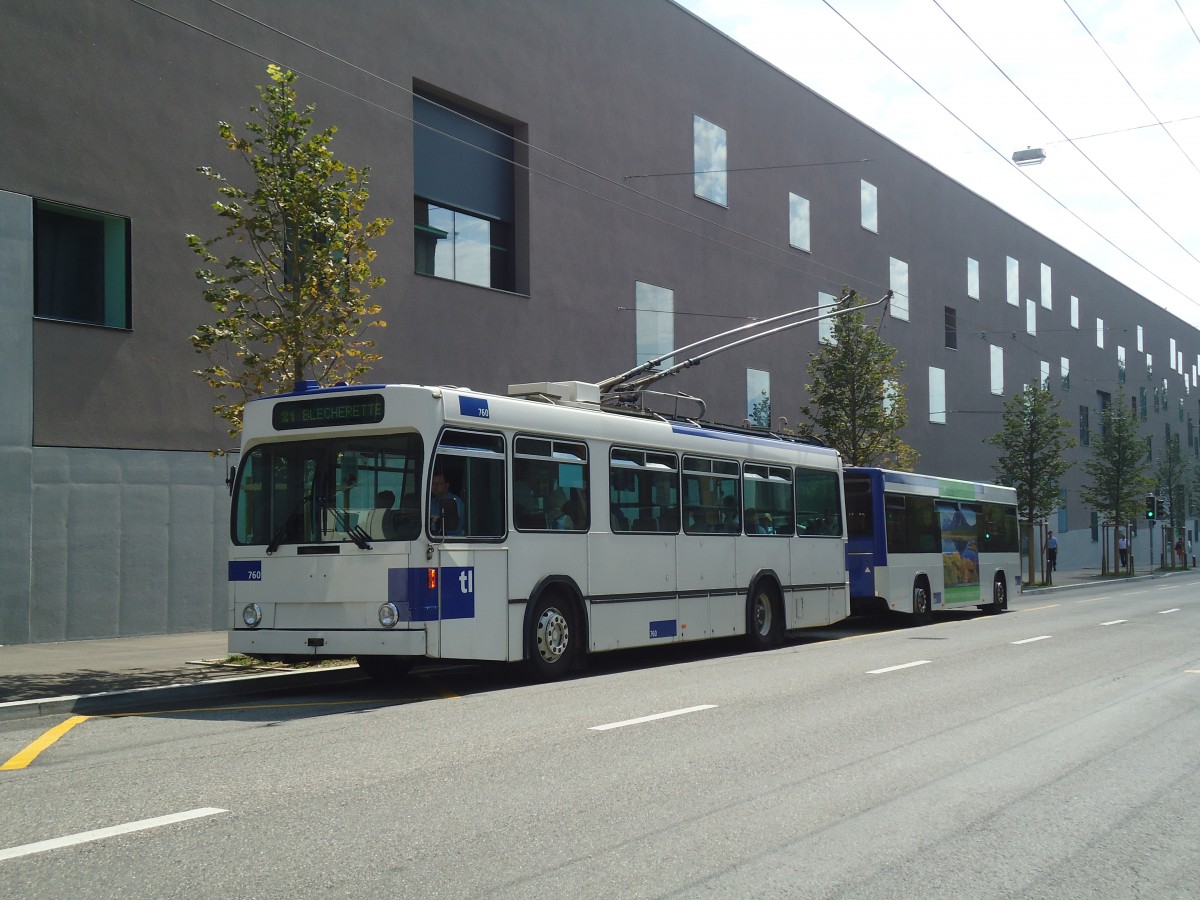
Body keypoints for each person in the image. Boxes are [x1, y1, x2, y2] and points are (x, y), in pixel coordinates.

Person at [429, 470, 464, 537]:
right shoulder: (431, 503)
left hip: (452, 541)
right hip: (434, 539)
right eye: (433, 483)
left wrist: (439, 520)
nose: (435, 486)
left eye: (438, 483)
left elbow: (453, 522)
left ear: (446, 485)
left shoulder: (455, 501)